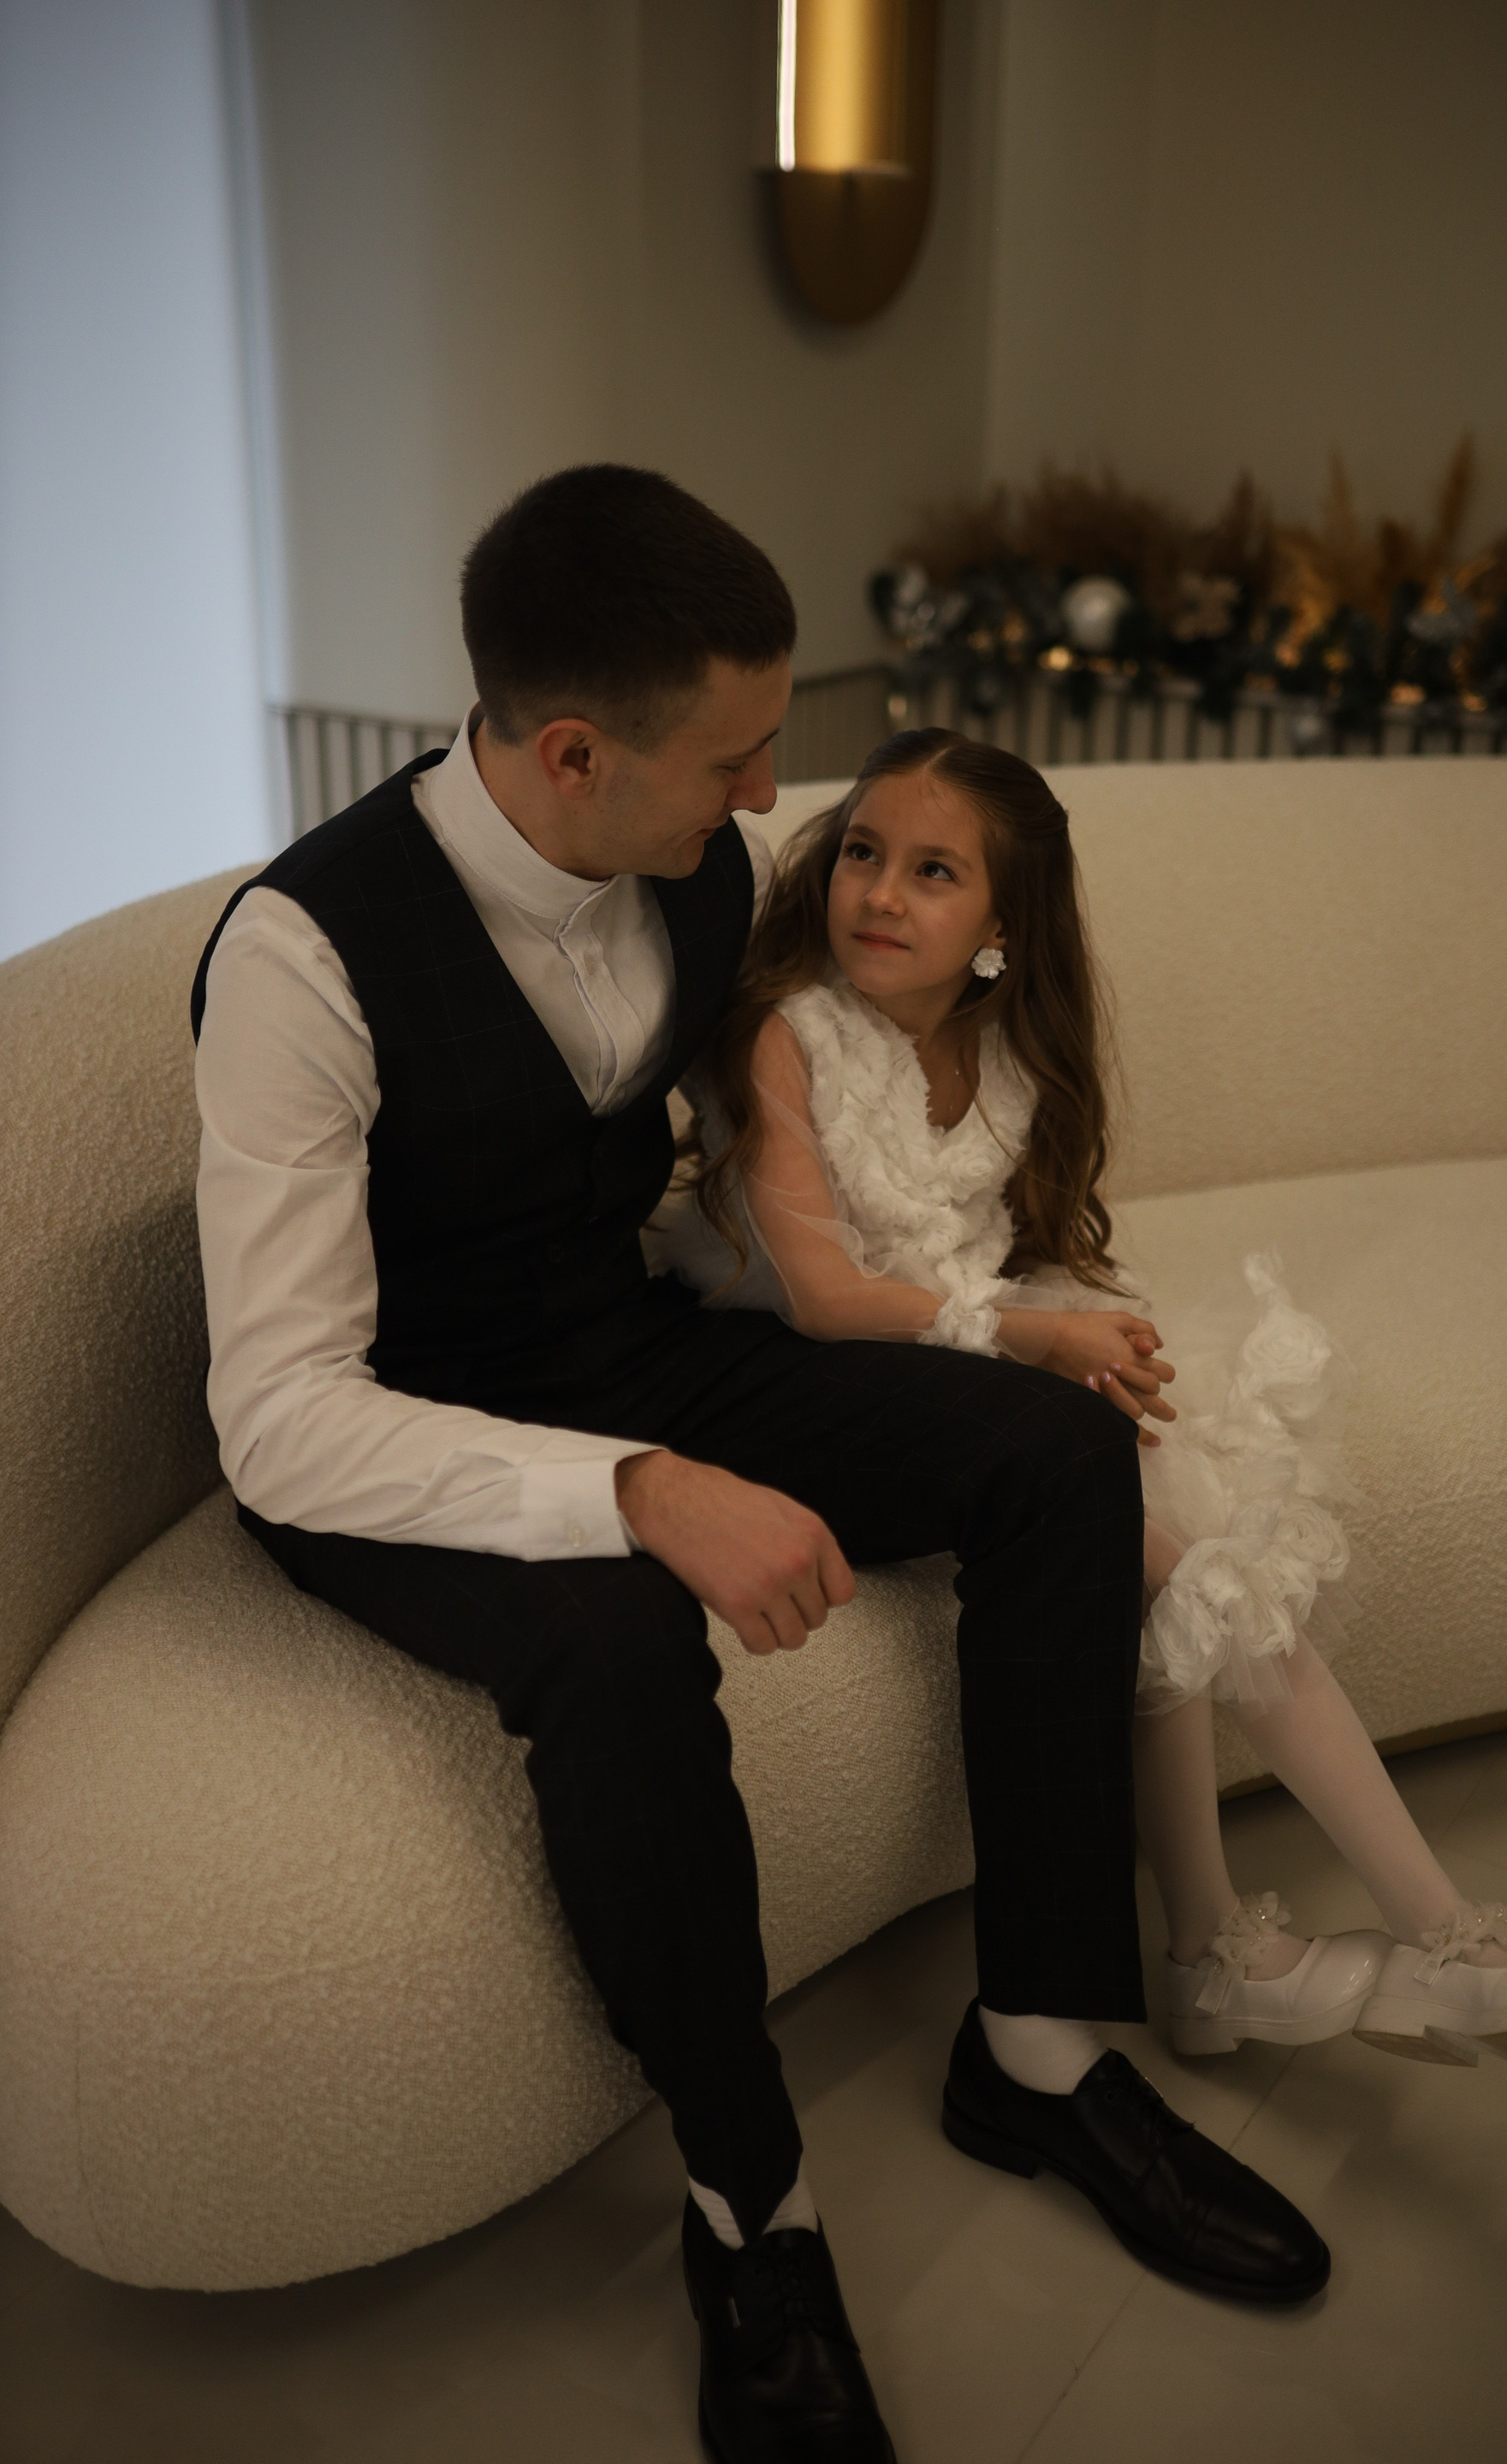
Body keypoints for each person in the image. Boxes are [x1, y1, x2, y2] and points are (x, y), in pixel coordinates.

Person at [191, 467, 1330, 2464]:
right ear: (572, 751)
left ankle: (1036, 2050)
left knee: (1055, 1456)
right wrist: (636, 1494)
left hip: (632, 1345)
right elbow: (282, 1413)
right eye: (733, 757)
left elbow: (834, 1096)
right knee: (625, 1649)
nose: (766, 796)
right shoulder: (305, 958)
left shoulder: (707, 871)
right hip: (397, 1430)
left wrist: (976, 1284)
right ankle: (752, 2211)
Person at [659, 724, 1507, 2088]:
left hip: (944, 1363)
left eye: (934, 872)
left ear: (1004, 926)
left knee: (1179, 1498)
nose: (878, 894)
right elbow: (822, 1296)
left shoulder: (999, 1053)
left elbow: (984, 1249)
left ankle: (1236, 1943)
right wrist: (1036, 1335)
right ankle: (1416, 1937)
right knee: (1177, 1557)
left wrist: (1070, 1340)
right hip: (792, 1384)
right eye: (864, 853)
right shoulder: (789, 1035)